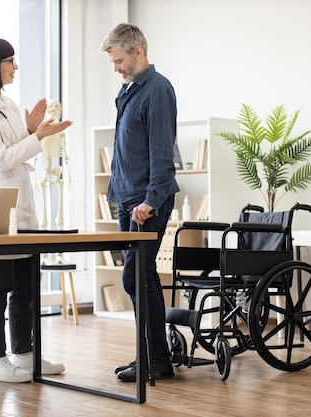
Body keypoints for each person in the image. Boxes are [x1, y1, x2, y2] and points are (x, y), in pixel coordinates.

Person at [0, 37, 73, 383]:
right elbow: (0, 159)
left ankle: (24, 353)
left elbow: (15, 147)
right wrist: (37, 136)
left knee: (26, 286)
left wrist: (30, 129)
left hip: (23, 204)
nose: (15, 67)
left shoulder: (8, 103)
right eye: (9, 60)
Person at [99, 24, 179, 382]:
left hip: (146, 203)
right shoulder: (129, 91)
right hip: (126, 197)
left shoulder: (157, 91)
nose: (115, 67)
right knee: (139, 277)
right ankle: (152, 358)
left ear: (138, 52)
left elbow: (162, 152)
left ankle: (156, 360)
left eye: (119, 60)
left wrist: (150, 201)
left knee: (138, 277)